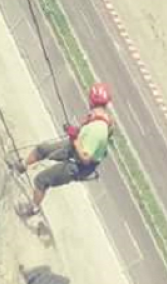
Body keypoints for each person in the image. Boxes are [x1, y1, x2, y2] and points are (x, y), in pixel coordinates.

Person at [15, 82, 114, 218]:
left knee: (41, 180)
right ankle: (23, 166)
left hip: (77, 165)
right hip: (75, 147)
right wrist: (74, 133)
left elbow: (85, 158)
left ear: (91, 100)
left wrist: (74, 138)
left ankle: (33, 208)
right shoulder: (100, 117)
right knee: (43, 149)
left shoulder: (98, 129)